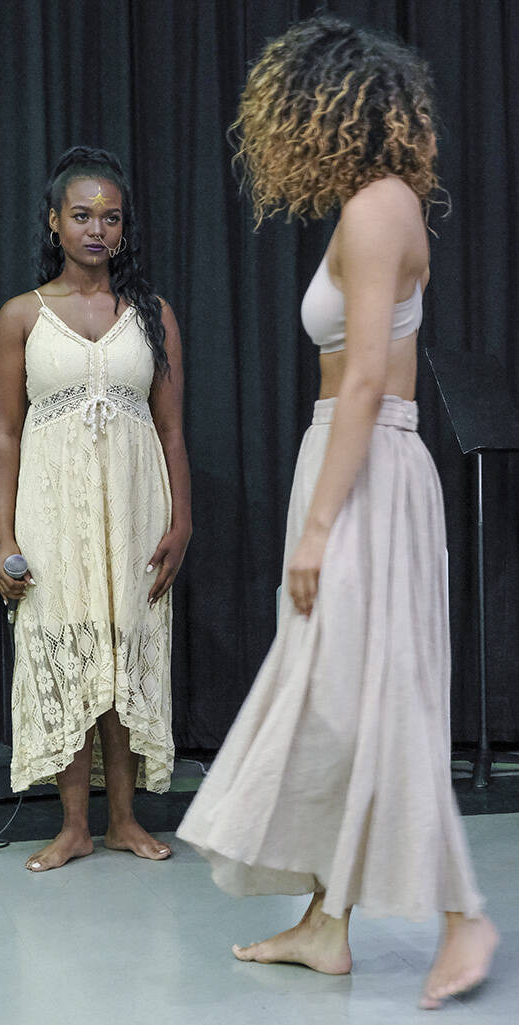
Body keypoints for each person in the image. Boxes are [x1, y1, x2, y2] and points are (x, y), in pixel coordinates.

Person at [177, 15, 498, 1010]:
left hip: (367, 467)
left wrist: (319, 527)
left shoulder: (378, 207)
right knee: (334, 691)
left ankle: (462, 911)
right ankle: (327, 921)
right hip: (346, 456)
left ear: (332, 108)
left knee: (376, 690)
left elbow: (363, 379)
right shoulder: (375, 204)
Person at [0, 146, 191, 871]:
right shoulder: (22, 316)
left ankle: (124, 821)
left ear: (124, 228)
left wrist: (182, 522)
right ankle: (74, 826)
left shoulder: (152, 315)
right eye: (81, 215)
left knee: (123, 648)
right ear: (55, 221)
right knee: (70, 648)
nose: (96, 229)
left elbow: (172, 431)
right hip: (52, 514)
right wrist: (4, 539)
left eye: (110, 217)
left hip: (137, 514)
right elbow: (6, 438)